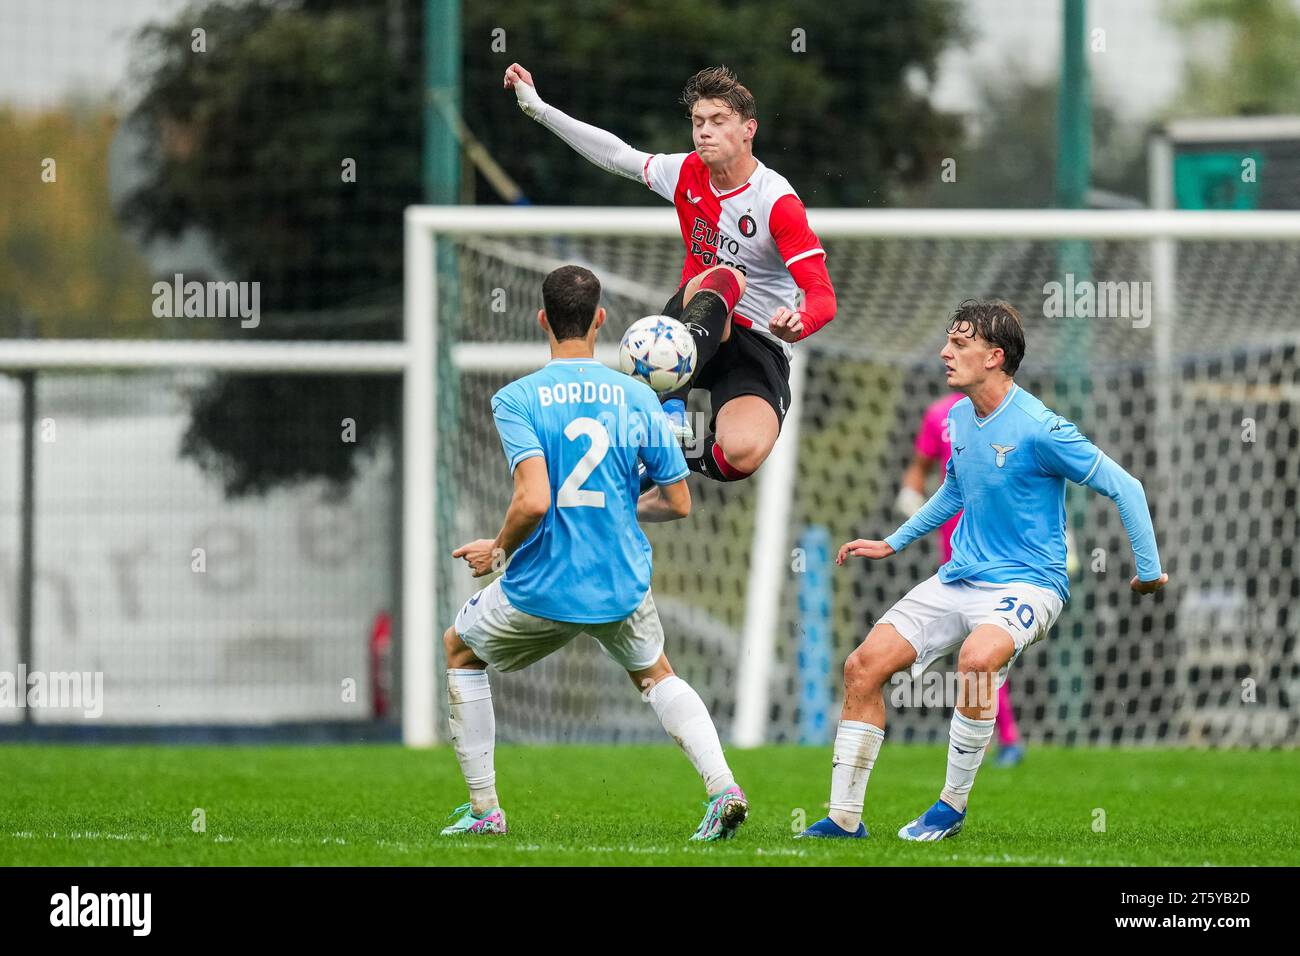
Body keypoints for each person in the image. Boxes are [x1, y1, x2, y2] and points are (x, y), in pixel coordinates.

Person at [800, 299, 1167, 842]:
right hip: (959, 576)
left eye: (960, 344)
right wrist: (893, 543)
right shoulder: (956, 417)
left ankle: (950, 806)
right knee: (861, 667)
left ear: (995, 357)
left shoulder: (1042, 428)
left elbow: (1127, 488)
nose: (945, 352)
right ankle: (844, 819)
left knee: (977, 659)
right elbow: (954, 488)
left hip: (1030, 584)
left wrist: (1148, 571)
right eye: (948, 341)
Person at [440, 265, 748, 842]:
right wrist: (613, 508)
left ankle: (485, 811)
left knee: (459, 651)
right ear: (602, 320)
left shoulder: (517, 399)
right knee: (657, 676)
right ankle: (723, 788)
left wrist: (498, 551)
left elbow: (532, 501)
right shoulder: (639, 396)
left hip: (543, 586)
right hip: (620, 584)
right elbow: (678, 503)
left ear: (542, 321)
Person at [504, 62, 836, 486]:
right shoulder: (685, 172)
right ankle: (671, 407)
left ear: (749, 129)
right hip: (693, 318)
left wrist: (799, 323)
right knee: (725, 275)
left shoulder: (776, 202)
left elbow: (823, 297)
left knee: (742, 455)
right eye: (698, 122)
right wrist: (537, 108)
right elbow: (617, 155)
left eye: (718, 121)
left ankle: (670, 457)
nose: (704, 132)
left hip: (758, 341)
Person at [897, 392, 1027, 767]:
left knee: (985, 642)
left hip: (1002, 541)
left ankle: (997, 736)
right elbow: (919, 466)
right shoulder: (940, 413)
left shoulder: (1010, 411)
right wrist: (911, 496)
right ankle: (999, 737)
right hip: (955, 544)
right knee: (976, 644)